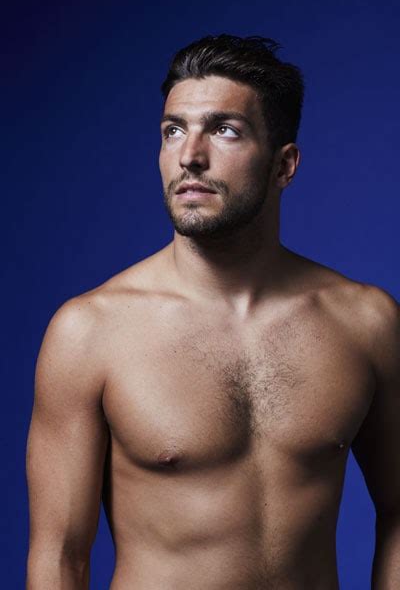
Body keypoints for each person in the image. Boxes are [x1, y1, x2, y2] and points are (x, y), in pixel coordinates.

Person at [26, 34, 400, 589]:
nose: (189, 155)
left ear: (284, 165)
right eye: (173, 130)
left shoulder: (365, 323)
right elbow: (60, 556)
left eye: (225, 130)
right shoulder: (91, 331)